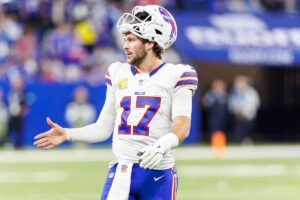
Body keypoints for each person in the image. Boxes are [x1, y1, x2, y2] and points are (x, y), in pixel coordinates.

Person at [34, 5, 198, 200]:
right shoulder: (117, 71)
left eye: (132, 40)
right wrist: (68, 134)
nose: (125, 46)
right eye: (125, 39)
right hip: (121, 169)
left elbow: (183, 125)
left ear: (150, 43)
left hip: (159, 173)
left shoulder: (177, 74)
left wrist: (163, 144)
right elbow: (103, 128)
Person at [228, 75, 260, 144]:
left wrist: (245, 112)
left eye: (240, 83)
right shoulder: (235, 93)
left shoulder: (251, 92)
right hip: (238, 117)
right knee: (238, 134)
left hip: (248, 117)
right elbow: (231, 103)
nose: (237, 85)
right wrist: (236, 111)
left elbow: (254, 104)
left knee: (247, 135)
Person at [0, 76, 28, 149]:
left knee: (19, 131)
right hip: (11, 115)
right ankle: (5, 144)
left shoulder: (23, 92)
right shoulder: (11, 92)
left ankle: (18, 145)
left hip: (19, 115)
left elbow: (25, 103)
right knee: (8, 131)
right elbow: (7, 103)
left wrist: (23, 111)